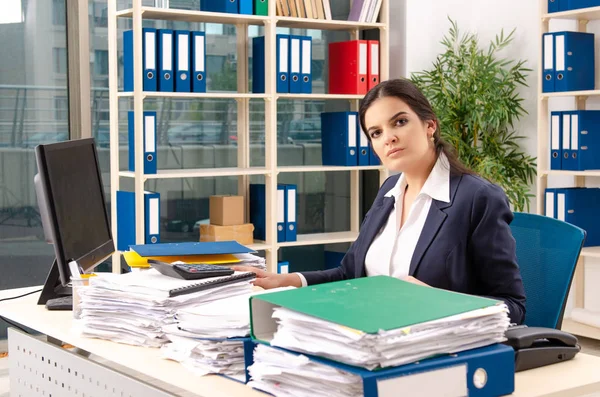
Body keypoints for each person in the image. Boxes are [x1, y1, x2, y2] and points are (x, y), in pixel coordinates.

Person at [235, 78, 526, 325]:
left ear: (430, 125)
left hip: (434, 346)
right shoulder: (389, 190)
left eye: (399, 122)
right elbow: (349, 273)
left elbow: (513, 307)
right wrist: (288, 281)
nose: (389, 137)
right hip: (374, 333)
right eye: (376, 132)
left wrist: (439, 302)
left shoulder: (476, 198)